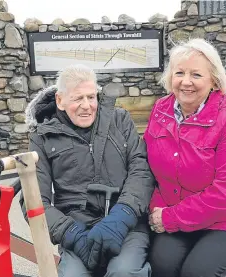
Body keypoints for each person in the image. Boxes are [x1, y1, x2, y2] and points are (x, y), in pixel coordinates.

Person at [20, 64, 155, 277]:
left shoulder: (120, 120)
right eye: (77, 98)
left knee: (124, 272)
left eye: (91, 97)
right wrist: (72, 234)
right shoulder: (42, 137)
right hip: (77, 228)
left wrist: (123, 215)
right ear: (60, 101)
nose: (87, 106)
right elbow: (33, 199)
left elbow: (141, 170)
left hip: (126, 225)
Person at [143, 38, 226, 277]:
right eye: (180, 73)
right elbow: (147, 168)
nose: (186, 82)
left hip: (225, 221)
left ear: (214, 80)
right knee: (161, 266)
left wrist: (170, 217)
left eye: (196, 75)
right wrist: (156, 208)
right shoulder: (160, 110)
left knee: (197, 272)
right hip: (171, 212)